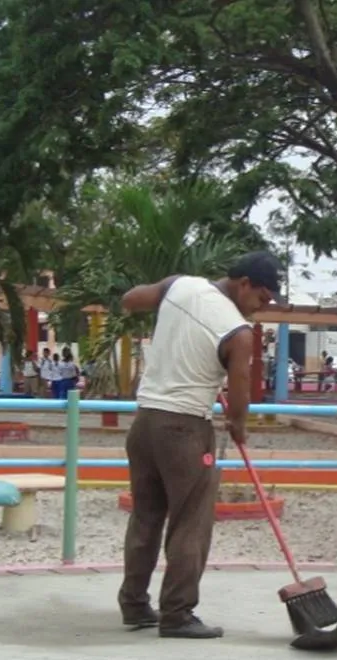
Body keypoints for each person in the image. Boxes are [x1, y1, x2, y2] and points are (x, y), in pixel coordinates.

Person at [117, 250, 285, 639]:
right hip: (185, 428)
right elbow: (240, 387)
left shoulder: (180, 285)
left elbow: (131, 299)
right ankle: (177, 613)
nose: (261, 309)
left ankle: (135, 605)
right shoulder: (237, 330)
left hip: (144, 423)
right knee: (191, 521)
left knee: (146, 515)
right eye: (261, 298)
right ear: (244, 284)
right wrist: (239, 425)